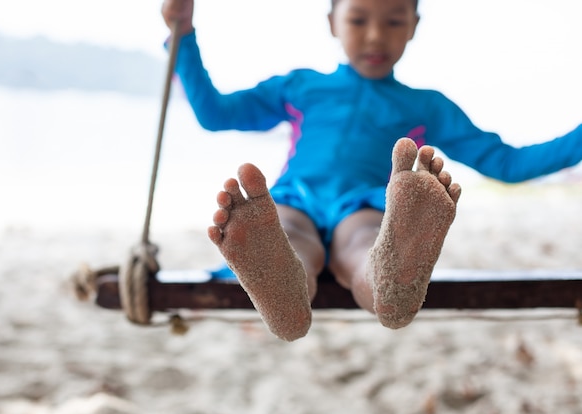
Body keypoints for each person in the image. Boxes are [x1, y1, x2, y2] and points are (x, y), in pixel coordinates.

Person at [161, 0, 582, 341]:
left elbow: (507, 163)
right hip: (294, 200)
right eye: (359, 19)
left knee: (363, 242)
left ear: (414, 24)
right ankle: (284, 284)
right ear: (332, 21)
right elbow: (216, 114)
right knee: (290, 235)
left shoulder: (426, 106)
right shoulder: (300, 86)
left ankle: (386, 280)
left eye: (394, 20)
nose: (376, 35)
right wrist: (183, 37)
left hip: (360, 205)